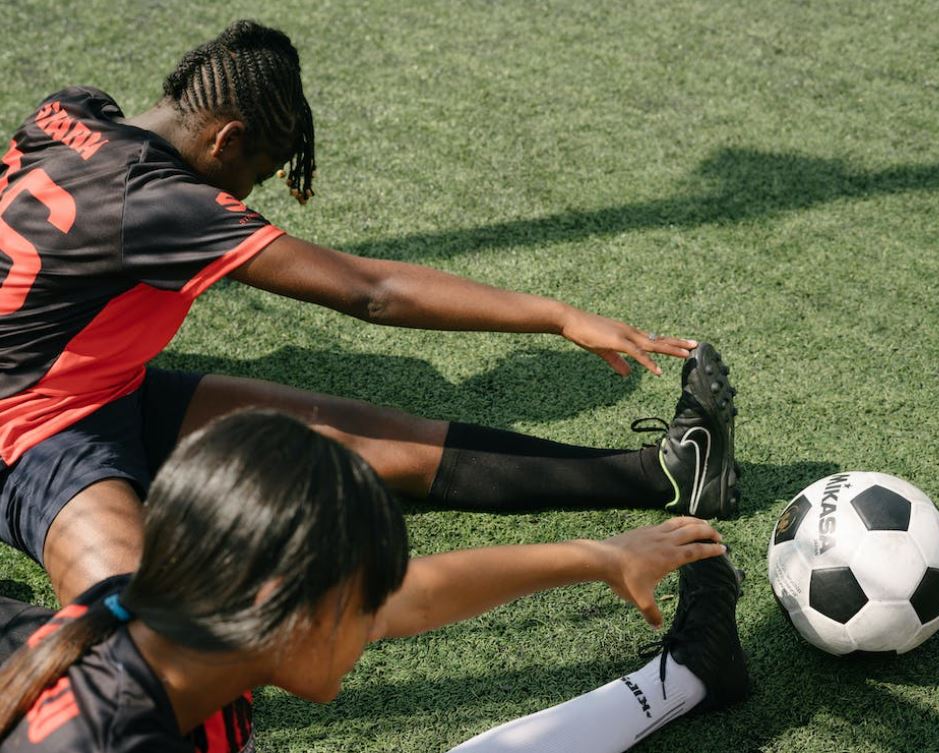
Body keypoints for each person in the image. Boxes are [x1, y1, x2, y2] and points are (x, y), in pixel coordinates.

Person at [0, 18, 739, 608]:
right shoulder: (165, 206)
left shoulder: (69, 110)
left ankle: (666, 475)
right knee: (133, 630)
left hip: (103, 387)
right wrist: (555, 314)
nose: (245, 199)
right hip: (30, 429)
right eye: (252, 175)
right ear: (225, 138)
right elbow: (369, 291)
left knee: (383, 443)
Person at [0, 410, 748, 752]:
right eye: (361, 611)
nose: (374, 630)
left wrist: (600, 554)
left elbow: (412, 595)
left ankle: (685, 676)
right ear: (278, 603)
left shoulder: (156, 615)